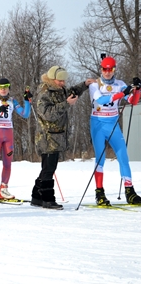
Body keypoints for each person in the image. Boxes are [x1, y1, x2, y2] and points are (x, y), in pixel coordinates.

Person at [30, 65, 96, 210]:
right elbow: (47, 114)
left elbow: (73, 91)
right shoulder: (44, 92)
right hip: (47, 137)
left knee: (48, 167)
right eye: (60, 81)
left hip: (57, 137)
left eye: (64, 81)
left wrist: (84, 84)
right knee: (49, 167)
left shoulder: (60, 90)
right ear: (52, 79)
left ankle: (36, 196)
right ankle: (47, 198)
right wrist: (66, 104)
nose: (63, 83)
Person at [88, 56, 141, 205]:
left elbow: (133, 101)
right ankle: (100, 193)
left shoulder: (120, 84)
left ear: (114, 69)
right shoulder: (95, 85)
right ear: (101, 69)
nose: (107, 72)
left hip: (113, 123)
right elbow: (102, 101)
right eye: (105, 69)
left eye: (110, 69)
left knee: (123, 155)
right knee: (101, 158)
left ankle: (130, 191)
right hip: (98, 123)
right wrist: (123, 93)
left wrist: (137, 90)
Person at [0, 78, 31, 200]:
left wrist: (27, 101)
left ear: (9, 88)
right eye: (0, 87)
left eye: (5, 87)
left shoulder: (12, 101)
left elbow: (25, 114)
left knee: (8, 164)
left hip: (8, 134)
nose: (3, 89)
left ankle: (3, 189)